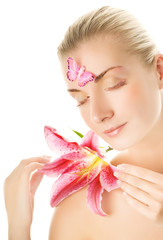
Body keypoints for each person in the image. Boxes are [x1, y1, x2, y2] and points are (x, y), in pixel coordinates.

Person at [4, 5, 163, 240]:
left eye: (114, 85)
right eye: (81, 99)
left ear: (159, 71)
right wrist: (18, 228)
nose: (98, 114)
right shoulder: (79, 209)